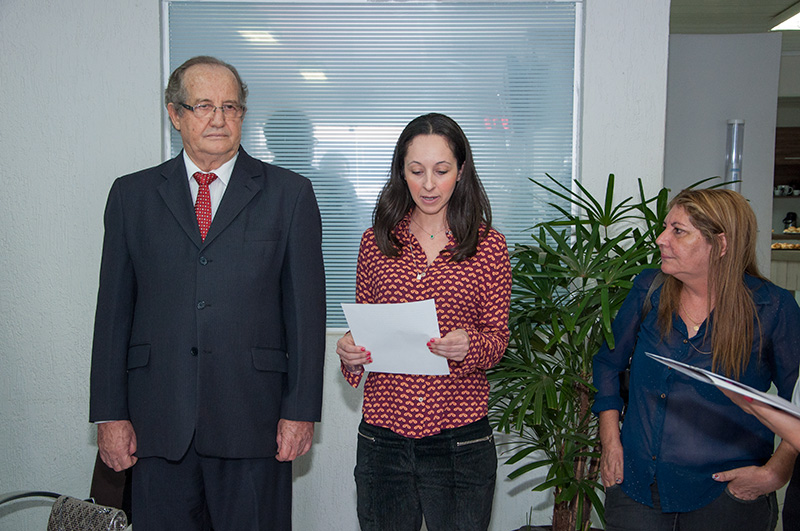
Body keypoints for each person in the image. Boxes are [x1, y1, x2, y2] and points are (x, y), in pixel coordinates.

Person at [89, 55, 326, 531]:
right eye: (203, 106)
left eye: (230, 107)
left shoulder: (290, 194)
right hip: (158, 424)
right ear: (175, 115)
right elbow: (112, 314)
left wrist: (301, 412)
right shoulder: (131, 196)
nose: (219, 118)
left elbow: (305, 315)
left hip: (254, 422)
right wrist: (110, 415)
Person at [335, 113, 512, 531]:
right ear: (402, 171)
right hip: (384, 439)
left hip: (460, 440)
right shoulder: (375, 242)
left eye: (441, 170)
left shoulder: (488, 246)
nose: (428, 184)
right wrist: (350, 351)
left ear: (461, 171)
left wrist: (470, 345)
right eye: (416, 171)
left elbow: (498, 339)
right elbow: (364, 326)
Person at [592, 188, 800, 531]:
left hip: (727, 499)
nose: (661, 239)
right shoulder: (649, 289)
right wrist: (611, 441)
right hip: (638, 490)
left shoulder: (773, 308)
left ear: (720, 244)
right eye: (665, 228)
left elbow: (797, 404)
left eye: (678, 231)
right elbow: (607, 365)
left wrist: (775, 472)